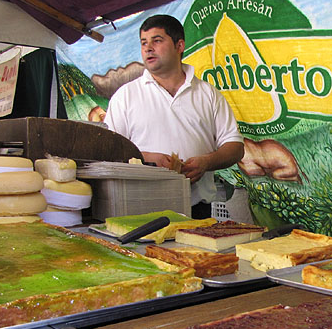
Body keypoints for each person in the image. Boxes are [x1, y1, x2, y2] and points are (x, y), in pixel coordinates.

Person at [104, 15, 244, 219]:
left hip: (196, 210)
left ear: (179, 45)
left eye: (157, 40)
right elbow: (109, 152)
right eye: (144, 42)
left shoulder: (208, 94)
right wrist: (147, 159)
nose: (148, 48)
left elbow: (235, 147)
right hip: (140, 210)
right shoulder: (125, 96)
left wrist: (207, 162)